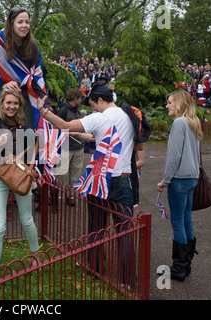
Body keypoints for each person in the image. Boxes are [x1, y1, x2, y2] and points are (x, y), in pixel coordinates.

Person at [36, 82, 136, 285]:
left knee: (97, 227)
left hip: (102, 180)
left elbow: (64, 125)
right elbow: (93, 136)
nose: (92, 109)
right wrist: (73, 133)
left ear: (100, 100)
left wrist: (42, 110)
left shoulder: (100, 117)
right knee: (125, 230)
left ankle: (96, 268)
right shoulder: (128, 115)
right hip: (125, 179)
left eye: (92, 105)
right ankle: (128, 279)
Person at [0, 7, 50, 199]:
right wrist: (2, 83)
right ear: (11, 23)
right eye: (20, 22)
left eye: (27, 22)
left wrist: (43, 100)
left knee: (29, 129)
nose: (24, 26)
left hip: (22, 92)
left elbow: (36, 73)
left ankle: (27, 173)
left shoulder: (32, 46)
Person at [0, 90, 39, 282]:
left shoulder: (24, 124)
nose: (11, 106)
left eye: (15, 103)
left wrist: (33, 177)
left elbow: (33, 150)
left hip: (20, 177)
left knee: (27, 220)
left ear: (20, 105)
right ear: (2, 103)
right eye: (8, 103)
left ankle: (35, 255)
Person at [157, 90, 203, 282]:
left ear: (180, 104)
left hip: (180, 178)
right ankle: (186, 265)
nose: (167, 105)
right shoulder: (193, 122)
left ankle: (179, 267)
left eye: (170, 102)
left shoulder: (179, 123)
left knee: (177, 221)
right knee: (186, 219)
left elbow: (174, 156)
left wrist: (165, 180)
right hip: (192, 177)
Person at [56, 88, 85, 205]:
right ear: (74, 99)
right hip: (65, 147)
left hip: (79, 147)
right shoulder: (63, 111)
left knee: (76, 173)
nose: (81, 100)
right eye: (80, 98)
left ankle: (71, 196)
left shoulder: (77, 111)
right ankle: (60, 194)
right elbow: (57, 127)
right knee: (62, 173)